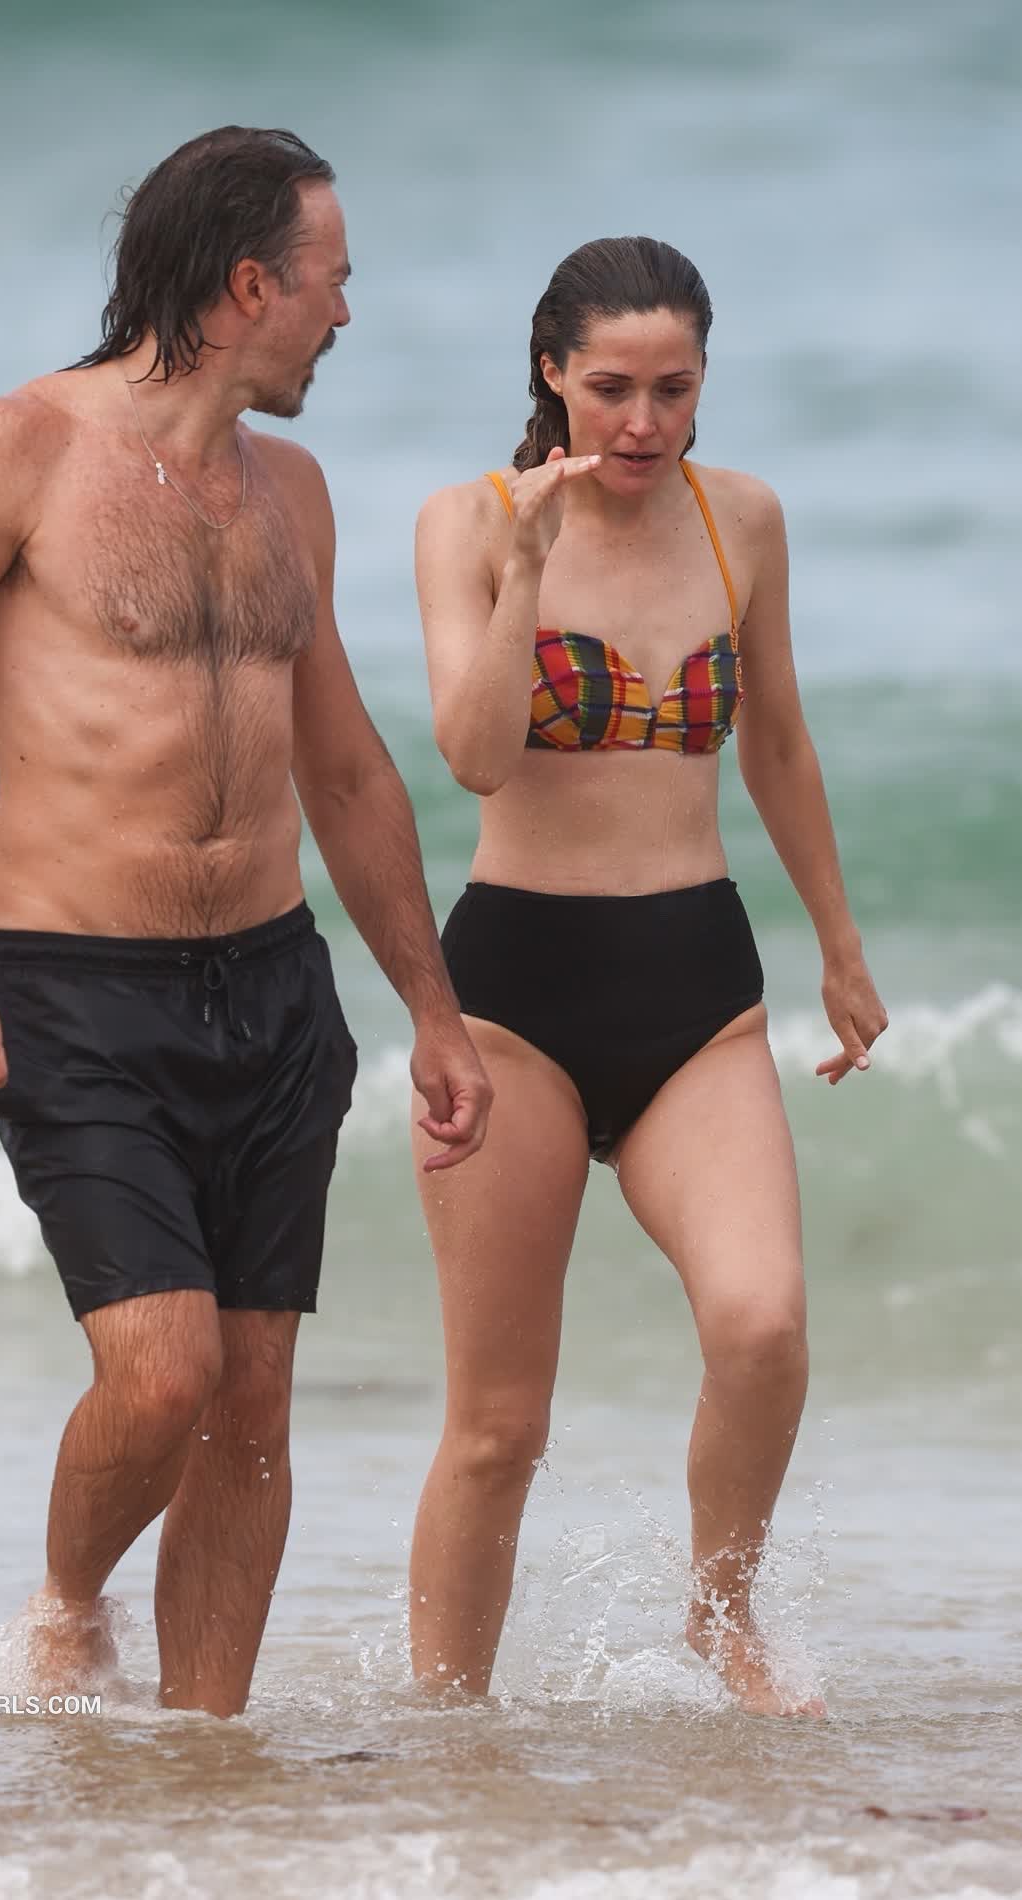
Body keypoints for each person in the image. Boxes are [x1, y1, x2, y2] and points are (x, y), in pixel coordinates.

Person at [0, 125, 490, 1718]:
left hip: (272, 988)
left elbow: (345, 769)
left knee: (250, 1406)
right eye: (331, 282)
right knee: (164, 1369)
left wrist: (432, 1008)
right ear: (249, 285)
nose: (346, 314)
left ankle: (202, 1760)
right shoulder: (17, 449)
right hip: (77, 991)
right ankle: (67, 1604)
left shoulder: (292, 494)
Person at [407, 236, 887, 1716]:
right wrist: (528, 567)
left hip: (698, 991)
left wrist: (841, 945)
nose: (641, 421)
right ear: (551, 371)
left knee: (762, 1327)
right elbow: (475, 755)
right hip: (512, 1003)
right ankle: (447, 1728)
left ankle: (719, 1614)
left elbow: (779, 740)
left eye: (672, 390)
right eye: (611, 387)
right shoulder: (465, 521)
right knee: (498, 1426)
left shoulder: (742, 518)